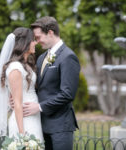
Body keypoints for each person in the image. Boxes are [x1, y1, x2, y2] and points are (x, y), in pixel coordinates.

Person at [23, 16, 80, 150]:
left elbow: (67, 94)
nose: (37, 42)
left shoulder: (68, 57)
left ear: (50, 33)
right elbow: (38, 87)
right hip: (41, 124)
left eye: (38, 37)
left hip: (60, 126)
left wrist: (39, 107)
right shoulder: (42, 58)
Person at [0, 27, 44, 144]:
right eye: (33, 40)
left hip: (33, 117)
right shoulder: (15, 67)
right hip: (25, 121)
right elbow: (18, 103)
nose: (35, 43)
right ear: (24, 43)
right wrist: (22, 135)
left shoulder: (25, 65)